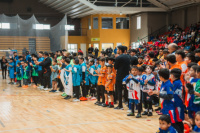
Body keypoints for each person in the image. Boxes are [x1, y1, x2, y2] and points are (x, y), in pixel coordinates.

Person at [114, 45, 130, 110]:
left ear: (120, 50)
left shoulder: (118, 57)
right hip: (127, 76)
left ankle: (120, 105)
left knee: (119, 91)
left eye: (117, 49)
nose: (117, 51)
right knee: (127, 90)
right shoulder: (129, 57)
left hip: (120, 76)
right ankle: (129, 105)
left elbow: (115, 67)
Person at [170, 68, 184, 132]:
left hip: (177, 104)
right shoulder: (178, 82)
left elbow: (171, 93)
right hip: (178, 104)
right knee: (178, 121)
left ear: (172, 75)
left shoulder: (176, 83)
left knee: (176, 121)